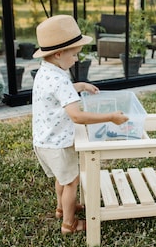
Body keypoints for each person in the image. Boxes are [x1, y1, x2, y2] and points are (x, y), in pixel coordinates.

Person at [32, 15, 128, 234]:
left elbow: (57, 93)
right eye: (74, 54)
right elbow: (77, 116)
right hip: (58, 143)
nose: (76, 59)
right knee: (72, 182)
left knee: (62, 177)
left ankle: (61, 208)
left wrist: (81, 85)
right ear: (58, 54)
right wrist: (110, 117)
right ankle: (69, 223)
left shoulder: (46, 71)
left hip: (45, 140)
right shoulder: (59, 79)